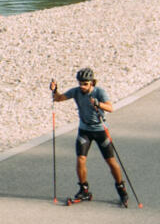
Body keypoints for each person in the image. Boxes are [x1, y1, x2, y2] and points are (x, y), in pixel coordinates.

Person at [49, 67, 129, 206]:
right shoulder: (76, 91)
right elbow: (58, 99)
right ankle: (84, 190)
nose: (82, 86)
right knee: (80, 159)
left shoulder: (100, 92)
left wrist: (98, 104)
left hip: (100, 131)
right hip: (84, 130)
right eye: (80, 83)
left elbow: (111, 108)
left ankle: (121, 188)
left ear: (92, 82)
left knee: (110, 161)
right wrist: (55, 90)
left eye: (85, 84)